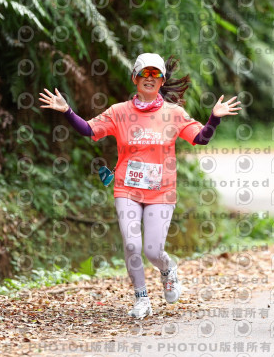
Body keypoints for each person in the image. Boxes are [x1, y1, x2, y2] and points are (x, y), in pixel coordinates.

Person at [39, 53, 240, 319]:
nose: (150, 78)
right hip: (127, 189)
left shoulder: (173, 114)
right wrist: (67, 111)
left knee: (153, 250)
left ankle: (167, 269)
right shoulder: (119, 112)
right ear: (135, 77)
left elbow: (200, 138)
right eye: (144, 73)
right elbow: (89, 130)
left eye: (156, 74)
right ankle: (141, 298)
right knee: (132, 245)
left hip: (161, 191)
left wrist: (214, 118)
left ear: (162, 81)